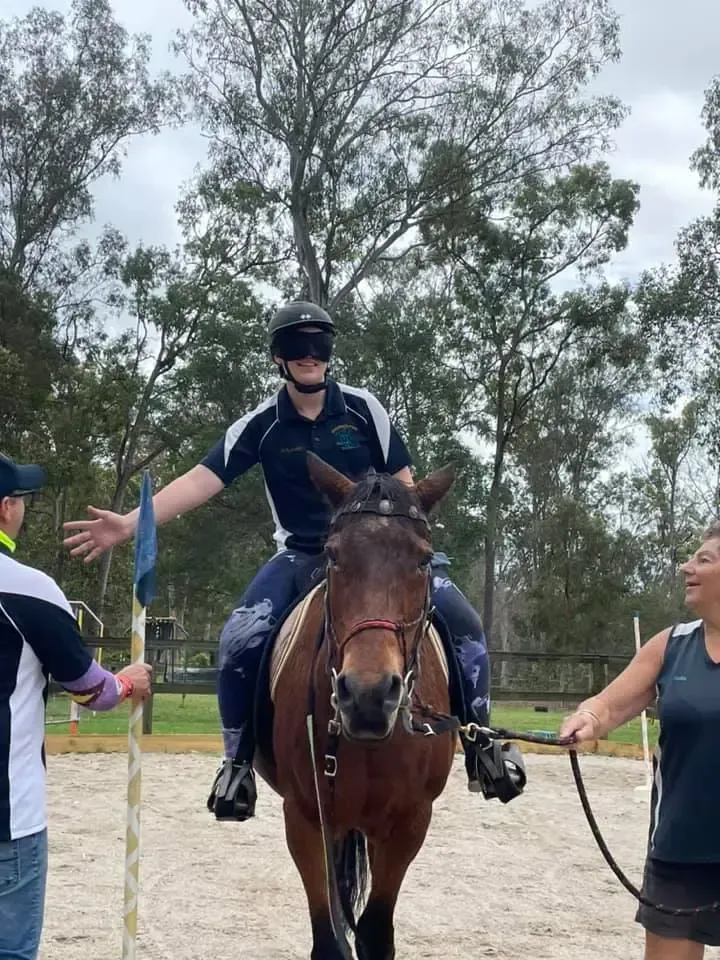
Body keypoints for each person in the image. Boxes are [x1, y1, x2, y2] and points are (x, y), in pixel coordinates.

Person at [63, 300, 518, 823]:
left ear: (329, 353)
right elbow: (200, 480)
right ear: (279, 358)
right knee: (240, 636)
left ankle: (483, 741)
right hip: (302, 553)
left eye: (319, 344)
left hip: (379, 553)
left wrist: (410, 549)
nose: (309, 355)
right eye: (296, 346)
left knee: (463, 623)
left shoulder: (365, 409)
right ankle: (236, 762)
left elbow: (407, 483)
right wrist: (129, 523)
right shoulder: (261, 424)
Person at [0, 453, 152, 960]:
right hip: (9, 822)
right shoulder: (31, 592)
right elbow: (93, 691)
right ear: (6, 510)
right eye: (20, 500)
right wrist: (128, 683)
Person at [560, 520, 720, 960]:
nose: (687, 566)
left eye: (703, 559)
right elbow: (608, 705)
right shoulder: (671, 645)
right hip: (678, 853)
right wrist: (587, 718)